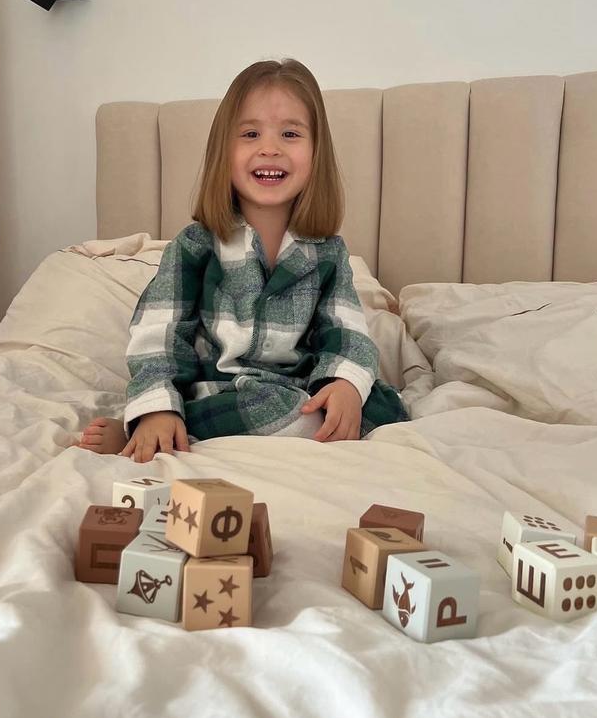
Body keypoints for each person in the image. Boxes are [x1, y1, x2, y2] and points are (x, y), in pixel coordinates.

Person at [78, 58, 408, 462]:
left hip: (303, 388)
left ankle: (298, 422)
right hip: (223, 391)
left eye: (290, 134)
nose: (270, 148)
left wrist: (345, 384)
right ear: (224, 152)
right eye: (250, 134)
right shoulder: (194, 246)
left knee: (386, 407)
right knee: (230, 407)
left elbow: (345, 329)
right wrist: (157, 408)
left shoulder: (328, 252)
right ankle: (153, 425)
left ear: (315, 153)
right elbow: (160, 333)